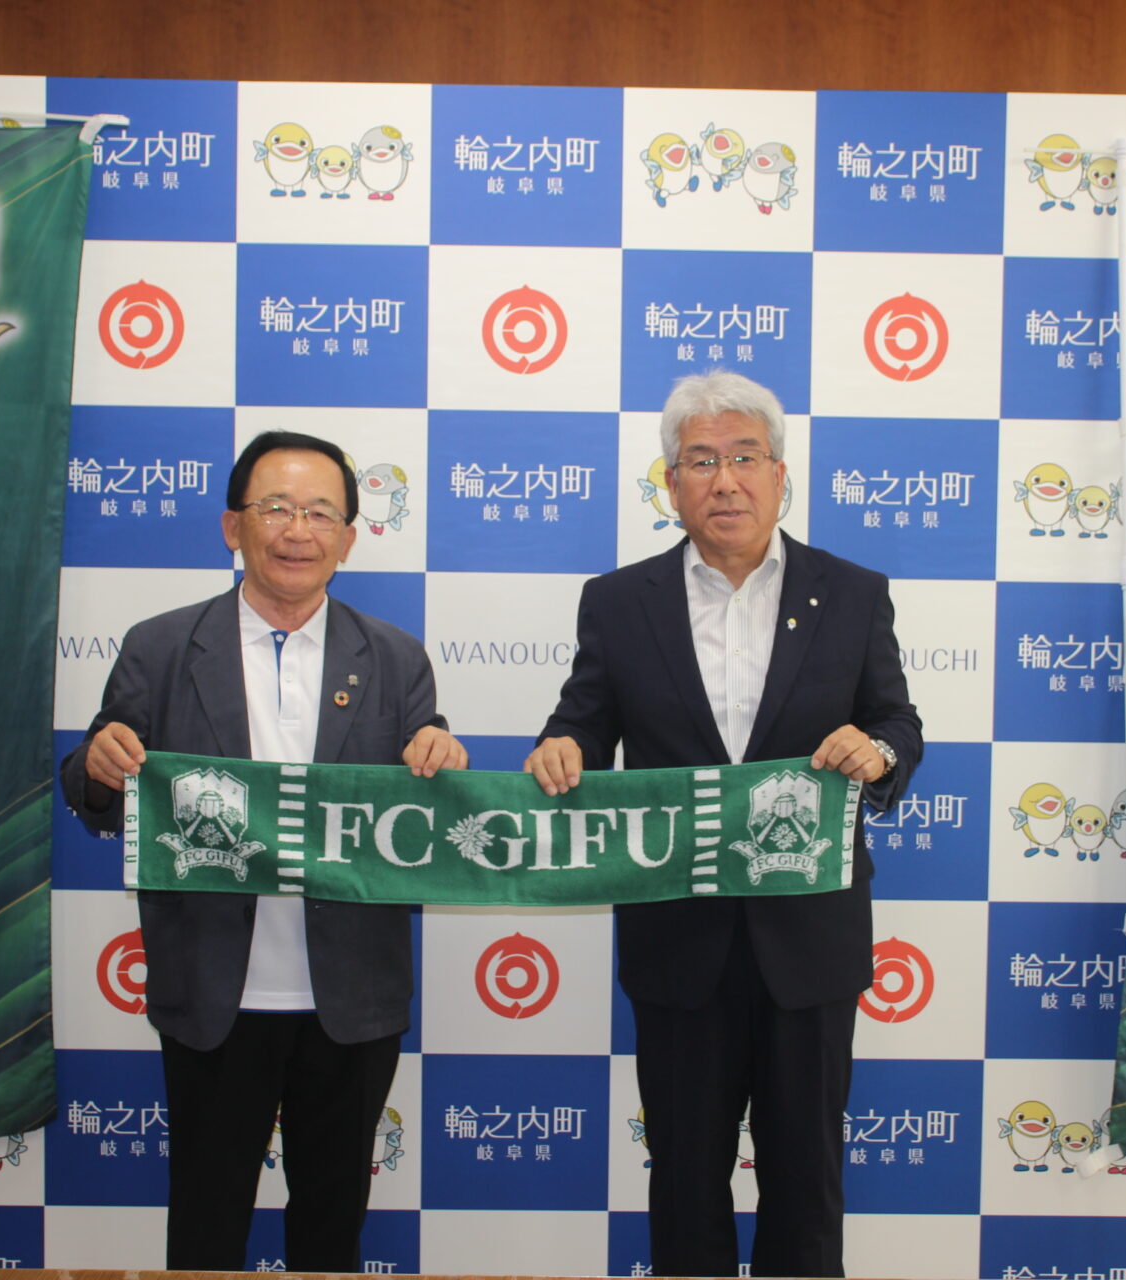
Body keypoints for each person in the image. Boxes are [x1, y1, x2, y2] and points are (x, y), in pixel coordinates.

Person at [526, 371, 921, 1277]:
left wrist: (879, 751)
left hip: (809, 936)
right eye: (701, 461)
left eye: (745, 457)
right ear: (672, 484)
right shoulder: (619, 601)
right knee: (685, 1180)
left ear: (781, 475)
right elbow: (582, 721)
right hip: (679, 937)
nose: (725, 481)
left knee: (807, 1182)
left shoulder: (853, 592)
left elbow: (896, 719)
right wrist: (562, 748)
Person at [60, 430, 466, 1272]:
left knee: (331, 1227)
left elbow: (425, 811)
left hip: (350, 996)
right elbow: (98, 787)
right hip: (213, 991)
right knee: (205, 1227)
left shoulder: (394, 658)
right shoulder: (161, 648)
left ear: (348, 538)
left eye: (320, 513)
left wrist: (440, 760)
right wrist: (97, 767)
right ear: (231, 526)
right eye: (275, 508)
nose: (296, 530)